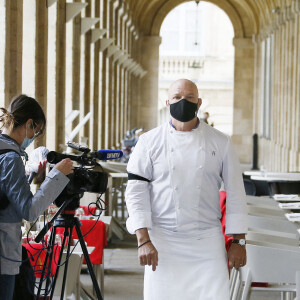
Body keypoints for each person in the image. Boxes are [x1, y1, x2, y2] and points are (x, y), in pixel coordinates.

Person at [125, 79, 247, 300]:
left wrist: (238, 241)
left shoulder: (221, 142)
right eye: (177, 97)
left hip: (207, 243)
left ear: (199, 102)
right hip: (162, 241)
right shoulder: (148, 142)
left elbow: (236, 193)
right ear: (167, 102)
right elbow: (135, 192)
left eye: (189, 97)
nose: (183, 102)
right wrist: (143, 240)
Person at [0, 95, 73, 300]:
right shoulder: (11, 158)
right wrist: (56, 176)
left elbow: (6, 196)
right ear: (29, 123)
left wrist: (32, 176)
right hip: (3, 251)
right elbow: (29, 211)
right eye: (36, 131)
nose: (34, 138)